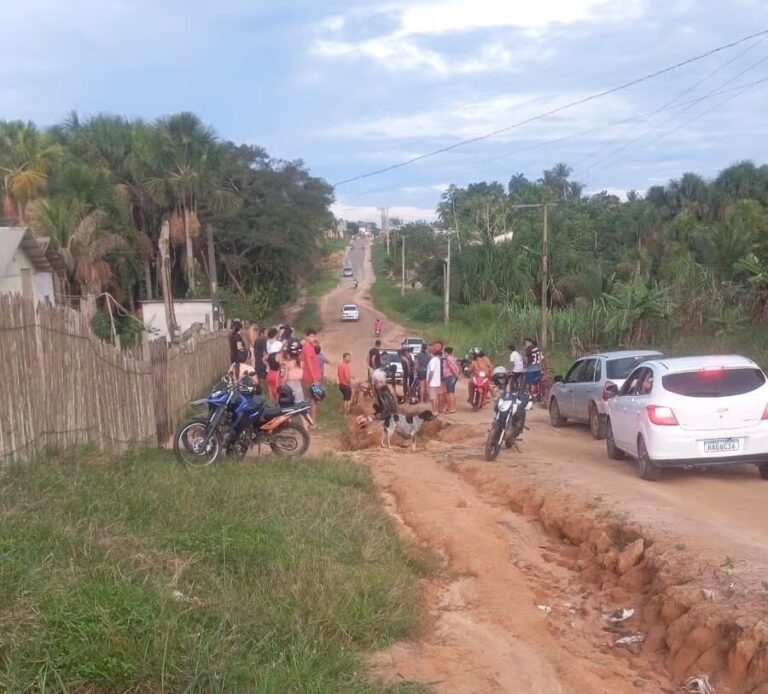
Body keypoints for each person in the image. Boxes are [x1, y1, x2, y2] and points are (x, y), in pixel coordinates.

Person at [301, 328, 322, 425]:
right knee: (314, 400)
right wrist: (314, 378)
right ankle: (312, 421)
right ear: (306, 336)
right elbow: (309, 363)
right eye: (311, 336)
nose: (313, 338)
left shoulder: (308, 346)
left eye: (314, 336)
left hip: (309, 377)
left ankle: (308, 421)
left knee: (310, 399)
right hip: (311, 379)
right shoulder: (308, 348)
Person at [281, 339, 305, 404]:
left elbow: (285, 378)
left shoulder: (288, 364)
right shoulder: (302, 363)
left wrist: (282, 386)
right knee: (300, 405)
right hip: (298, 386)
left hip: (289, 386)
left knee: (289, 407)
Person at [442, 346, 459, 414]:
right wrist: (456, 374)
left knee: (450, 393)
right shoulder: (453, 358)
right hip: (452, 376)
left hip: (449, 376)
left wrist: (455, 374)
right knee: (452, 392)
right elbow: (456, 367)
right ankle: (453, 407)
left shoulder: (448, 359)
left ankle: (451, 409)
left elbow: (451, 367)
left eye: (444, 352)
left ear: (446, 352)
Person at [426, 346, 442, 414]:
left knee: (433, 398)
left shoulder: (432, 361)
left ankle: (434, 411)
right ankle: (436, 410)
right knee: (435, 397)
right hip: (437, 381)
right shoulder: (437, 360)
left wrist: (428, 382)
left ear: (431, 353)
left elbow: (431, 372)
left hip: (432, 382)